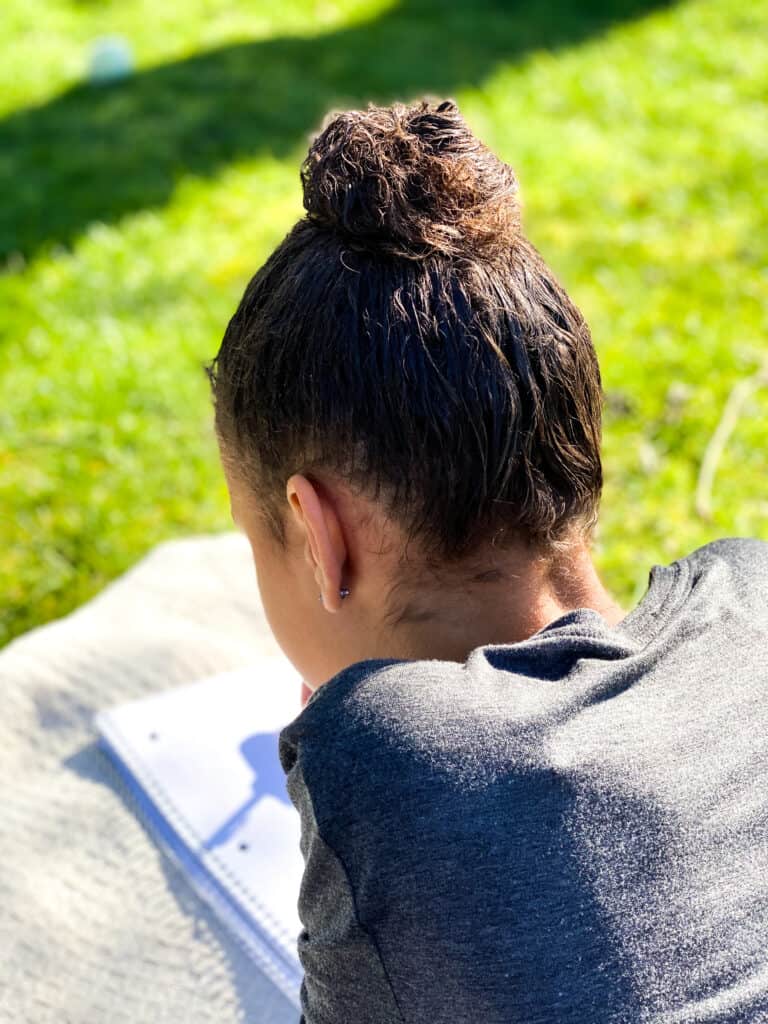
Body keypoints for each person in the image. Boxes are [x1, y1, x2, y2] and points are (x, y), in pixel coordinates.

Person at [206, 98, 768, 1023]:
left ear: (319, 535)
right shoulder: (746, 599)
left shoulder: (378, 760)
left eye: (250, 534)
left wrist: (353, 746)